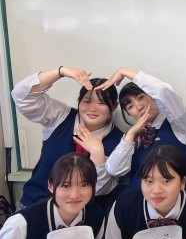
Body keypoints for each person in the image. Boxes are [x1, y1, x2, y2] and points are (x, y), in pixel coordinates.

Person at [11, 66, 123, 209]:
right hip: (35, 205)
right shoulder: (62, 117)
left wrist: (97, 154)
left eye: (101, 103)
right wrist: (61, 71)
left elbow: (100, 190)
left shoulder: (120, 141)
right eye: (86, 101)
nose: (92, 108)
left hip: (81, 215)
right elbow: (21, 96)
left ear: (114, 106)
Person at [0, 153, 104, 239]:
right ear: (51, 185)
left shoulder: (96, 215)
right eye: (66, 185)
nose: (75, 194)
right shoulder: (21, 222)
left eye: (84, 185)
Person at [100, 67, 186, 188]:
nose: (139, 107)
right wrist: (131, 134)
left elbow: (162, 90)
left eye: (141, 97)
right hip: (136, 197)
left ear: (152, 96)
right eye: (130, 106)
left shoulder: (177, 124)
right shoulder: (133, 137)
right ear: (129, 114)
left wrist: (123, 71)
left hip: (171, 197)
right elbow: (113, 170)